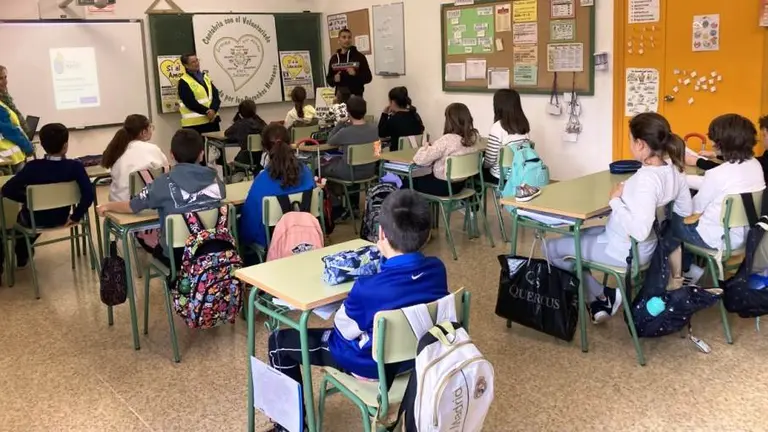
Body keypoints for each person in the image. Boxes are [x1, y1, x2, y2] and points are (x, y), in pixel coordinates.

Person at [266, 190, 448, 431]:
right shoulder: (438, 270)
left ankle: (290, 427)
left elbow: (342, 330)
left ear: (381, 233)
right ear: (425, 236)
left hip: (371, 367)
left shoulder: (368, 289)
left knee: (278, 342)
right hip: (417, 358)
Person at [544, 113, 692, 323]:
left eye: (631, 140)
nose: (630, 145)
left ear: (640, 144)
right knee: (578, 238)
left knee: (550, 248)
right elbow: (685, 210)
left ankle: (604, 295)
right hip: (647, 246)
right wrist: (629, 204)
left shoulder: (646, 180)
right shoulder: (674, 170)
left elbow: (639, 231)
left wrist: (615, 201)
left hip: (626, 251)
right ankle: (599, 300)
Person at [96, 129, 226, 271]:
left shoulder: (161, 183)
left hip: (177, 256)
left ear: (171, 154)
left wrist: (107, 206)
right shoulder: (216, 180)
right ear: (201, 154)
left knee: (156, 246)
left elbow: (132, 206)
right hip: (215, 249)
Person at [674, 113, 766, 284]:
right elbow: (728, 185)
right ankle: (690, 268)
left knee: (672, 220)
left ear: (721, 143)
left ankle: (685, 270)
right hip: (748, 236)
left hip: (720, 239)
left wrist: (677, 182)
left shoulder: (717, 174)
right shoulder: (755, 165)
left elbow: (693, 210)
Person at [1, 123, 94, 270]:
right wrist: (76, 216)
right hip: (62, 218)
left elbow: (6, 190)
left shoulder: (33, 167)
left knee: (20, 224)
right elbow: (89, 194)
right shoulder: (75, 167)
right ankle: (23, 249)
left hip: (33, 220)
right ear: (65, 145)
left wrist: (30, 200)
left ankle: (22, 252)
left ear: (42, 145)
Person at [239, 124, 315, 248]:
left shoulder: (262, 180)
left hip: (271, 242)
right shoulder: (306, 171)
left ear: (265, 148)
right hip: (306, 237)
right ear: (290, 143)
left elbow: (249, 224)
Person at [412, 103, 480, 197]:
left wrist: (425, 147)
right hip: (461, 184)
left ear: (449, 121)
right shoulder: (474, 138)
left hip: (443, 186)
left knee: (407, 182)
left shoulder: (447, 140)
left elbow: (419, 160)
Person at [101, 114, 168, 202]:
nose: (152, 130)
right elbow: (166, 171)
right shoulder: (153, 149)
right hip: (147, 205)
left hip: (119, 205)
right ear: (143, 132)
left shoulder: (117, 150)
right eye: (150, 127)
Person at [685, 114, 768, 185]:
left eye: (764, 135)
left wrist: (698, 161)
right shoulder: (755, 164)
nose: (762, 139)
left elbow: (729, 171)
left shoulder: (724, 173)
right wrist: (716, 155)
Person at [325, 96, 379, 181]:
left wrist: (340, 123)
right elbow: (377, 152)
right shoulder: (374, 129)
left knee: (322, 168)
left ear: (348, 112)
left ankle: (334, 193)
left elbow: (330, 141)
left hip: (349, 173)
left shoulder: (345, 132)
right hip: (370, 172)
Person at [484, 89, 531, 184]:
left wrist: (481, 163)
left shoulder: (497, 127)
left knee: (476, 172)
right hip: (520, 173)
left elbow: (490, 160)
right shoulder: (523, 125)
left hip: (501, 177)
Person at [177, 53, 221, 134]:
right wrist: (207, 111)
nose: (197, 63)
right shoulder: (183, 82)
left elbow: (215, 96)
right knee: (198, 147)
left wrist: (213, 110)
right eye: (193, 62)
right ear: (186, 65)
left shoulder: (205, 77)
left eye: (197, 60)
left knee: (215, 146)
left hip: (212, 121)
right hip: (194, 125)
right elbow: (190, 102)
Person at [225, 99, 267, 177]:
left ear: (240, 113)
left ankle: (238, 173)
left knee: (236, 159)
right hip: (262, 157)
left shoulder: (240, 124)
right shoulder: (261, 123)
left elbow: (227, 133)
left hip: (246, 158)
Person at [325, 28, 372, 97]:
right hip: (339, 97)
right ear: (339, 40)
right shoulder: (334, 58)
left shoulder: (359, 57)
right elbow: (329, 79)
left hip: (356, 97)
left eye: (349, 37)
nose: (347, 40)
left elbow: (368, 77)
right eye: (344, 37)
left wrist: (355, 74)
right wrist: (334, 79)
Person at [378, 86, 424, 151]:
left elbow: (381, 134)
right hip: (414, 155)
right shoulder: (415, 116)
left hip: (396, 157)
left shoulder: (393, 120)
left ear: (393, 102)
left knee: (376, 147)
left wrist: (384, 114)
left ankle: (377, 161)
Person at [0, 65, 30, 137]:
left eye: (5, 77)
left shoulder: (4, 94)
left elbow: (15, 113)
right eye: (0, 78)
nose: (5, 81)